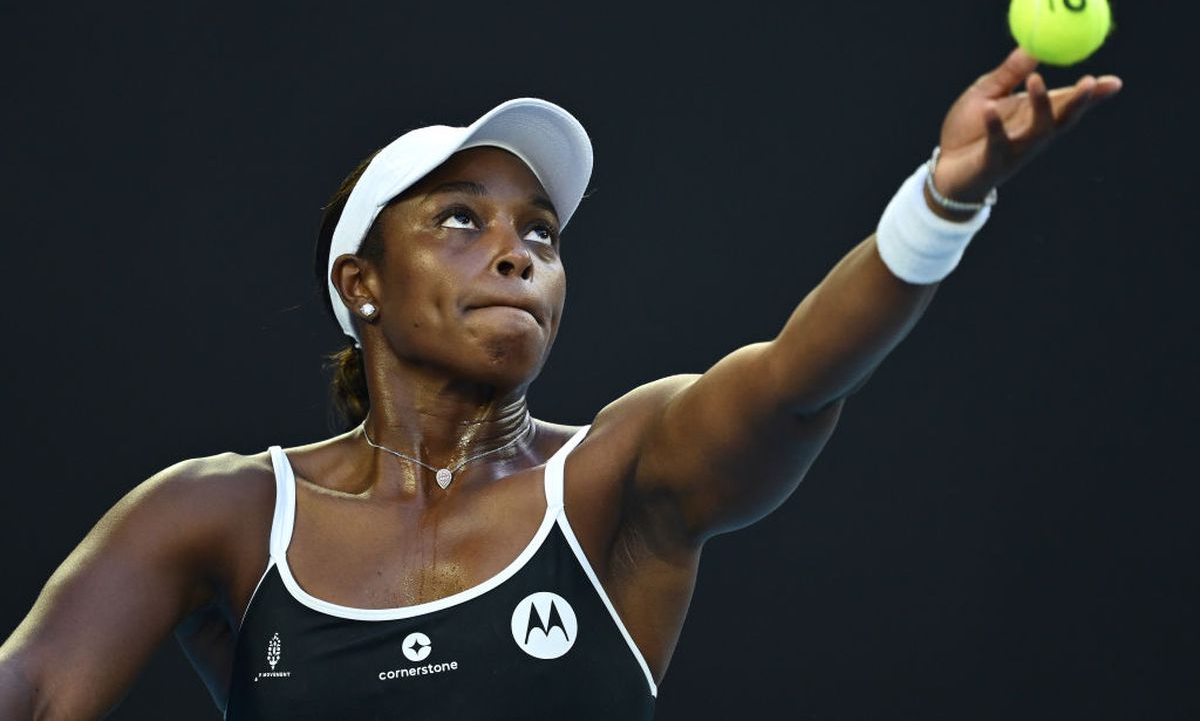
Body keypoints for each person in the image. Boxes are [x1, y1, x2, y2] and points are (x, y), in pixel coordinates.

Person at [0, 48, 1121, 720]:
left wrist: (943, 204)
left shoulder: (616, 475)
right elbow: (35, 692)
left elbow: (793, 380)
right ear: (362, 283)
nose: (517, 253)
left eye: (539, 230)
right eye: (460, 218)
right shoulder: (222, 513)